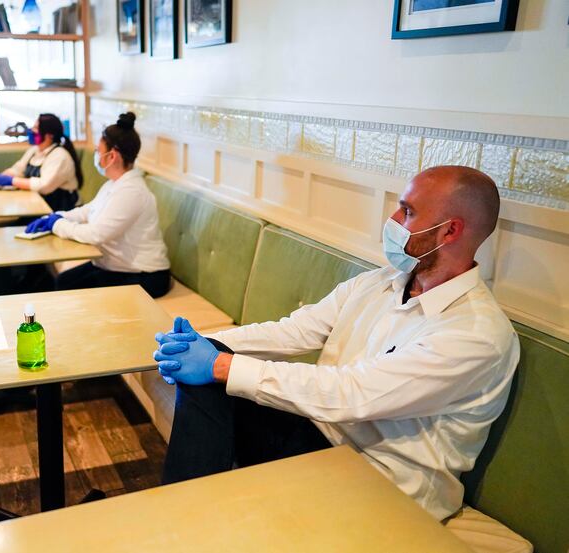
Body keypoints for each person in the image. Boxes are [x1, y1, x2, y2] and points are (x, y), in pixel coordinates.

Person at [153, 165, 519, 521]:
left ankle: (184, 524)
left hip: (385, 483)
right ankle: (183, 517)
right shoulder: (379, 283)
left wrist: (219, 365)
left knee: (218, 374)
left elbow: (353, 394)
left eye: (407, 211)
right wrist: (201, 343)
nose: (391, 219)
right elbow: (293, 331)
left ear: (450, 231)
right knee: (203, 382)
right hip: (322, 436)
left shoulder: (476, 334)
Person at [26, 113, 171, 299]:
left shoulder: (131, 192)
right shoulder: (114, 184)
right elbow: (87, 211)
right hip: (115, 266)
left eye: (98, 150)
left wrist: (57, 225)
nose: (96, 155)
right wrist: (56, 217)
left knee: (70, 291)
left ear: (112, 155)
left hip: (144, 276)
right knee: (64, 281)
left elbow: (96, 234)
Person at [0, 114, 82, 212]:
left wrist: (11, 181)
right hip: (37, 205)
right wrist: (3, 177)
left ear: (50, 135)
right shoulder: (34, 151)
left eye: (36, 128)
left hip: (60, 210)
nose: (32, 130)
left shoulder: (60, 156)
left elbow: (44, 186)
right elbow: (19, 169)